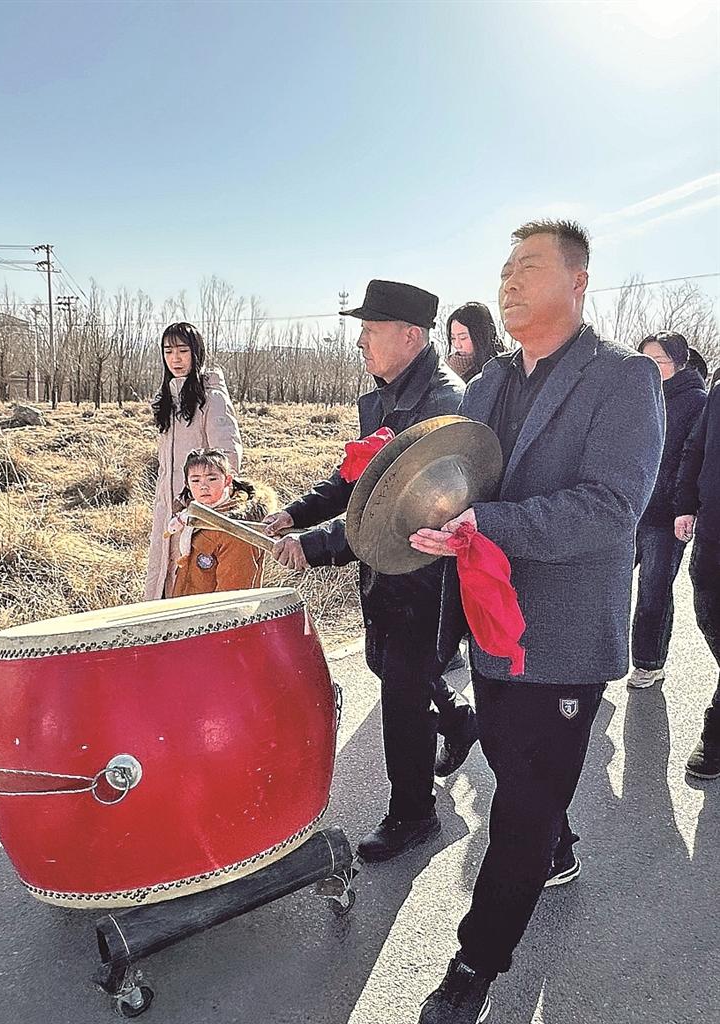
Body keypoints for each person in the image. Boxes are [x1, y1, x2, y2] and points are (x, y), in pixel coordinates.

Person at [409, 219, 665, 1024]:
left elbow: (612, 506)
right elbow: (462, 481)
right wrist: (432, 517)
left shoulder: (622, 378)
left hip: (562, 635)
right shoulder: (488, 383)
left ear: (577, 282)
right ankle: (556, 842)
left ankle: (475, 962)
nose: (508, 281)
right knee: (517, 771)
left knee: (520, 804)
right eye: (504, 268)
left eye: (527, 266)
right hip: (492, 625)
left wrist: (485, 524)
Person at [263, 280, 478, 861]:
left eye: (369, 329)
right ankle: (457, 716)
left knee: (402, 692)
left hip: (425, 573)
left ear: (410, 336)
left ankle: (414, 814)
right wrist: (294, 514)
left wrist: (316, 545)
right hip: (384, 569)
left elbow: (404, 510)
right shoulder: (383, 399)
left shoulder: (444, 405)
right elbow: (356, 482)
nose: (359, 341)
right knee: (385, 664)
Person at [627, 332, 707, 688]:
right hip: (630, 508)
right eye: (646, 360)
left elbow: (693, 457)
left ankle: (649, 662)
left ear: (679, 362)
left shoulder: (696, 401)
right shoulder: (638, 395)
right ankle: (601, 656)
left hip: (665, 515)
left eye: (659, 361)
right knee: (607, 583)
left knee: (653, 592)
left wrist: (685, 508)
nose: (651, 368)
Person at [144, 322, 243, 601]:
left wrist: (203, 499)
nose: (175, 359)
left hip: (200, 510)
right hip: (168, 509)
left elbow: (228, 457)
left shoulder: (211, 398)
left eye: (183, 351)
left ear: (196, 353)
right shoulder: (167, 400)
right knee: (163, 579)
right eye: (168, 351)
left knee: (194, 585)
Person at [674, 375, 720, 779]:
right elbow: (697, 448)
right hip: (713, 536)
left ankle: (715, 734)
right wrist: (685, 503)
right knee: (709, 616)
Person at [166, 448, 277, 598]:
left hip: (215, 611)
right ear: (187, 484)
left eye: (212, 479)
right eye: (195, 480)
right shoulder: (191, 516)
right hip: (190, 604)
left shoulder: (236, 529)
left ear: (227, 480)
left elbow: (232, 595)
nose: (203, 486)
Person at [446, 302, 503, 384]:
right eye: (453, 338)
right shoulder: (445, 370)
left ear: (481, 336)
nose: (457, 345)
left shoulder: (500, 370)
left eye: (463, 338)